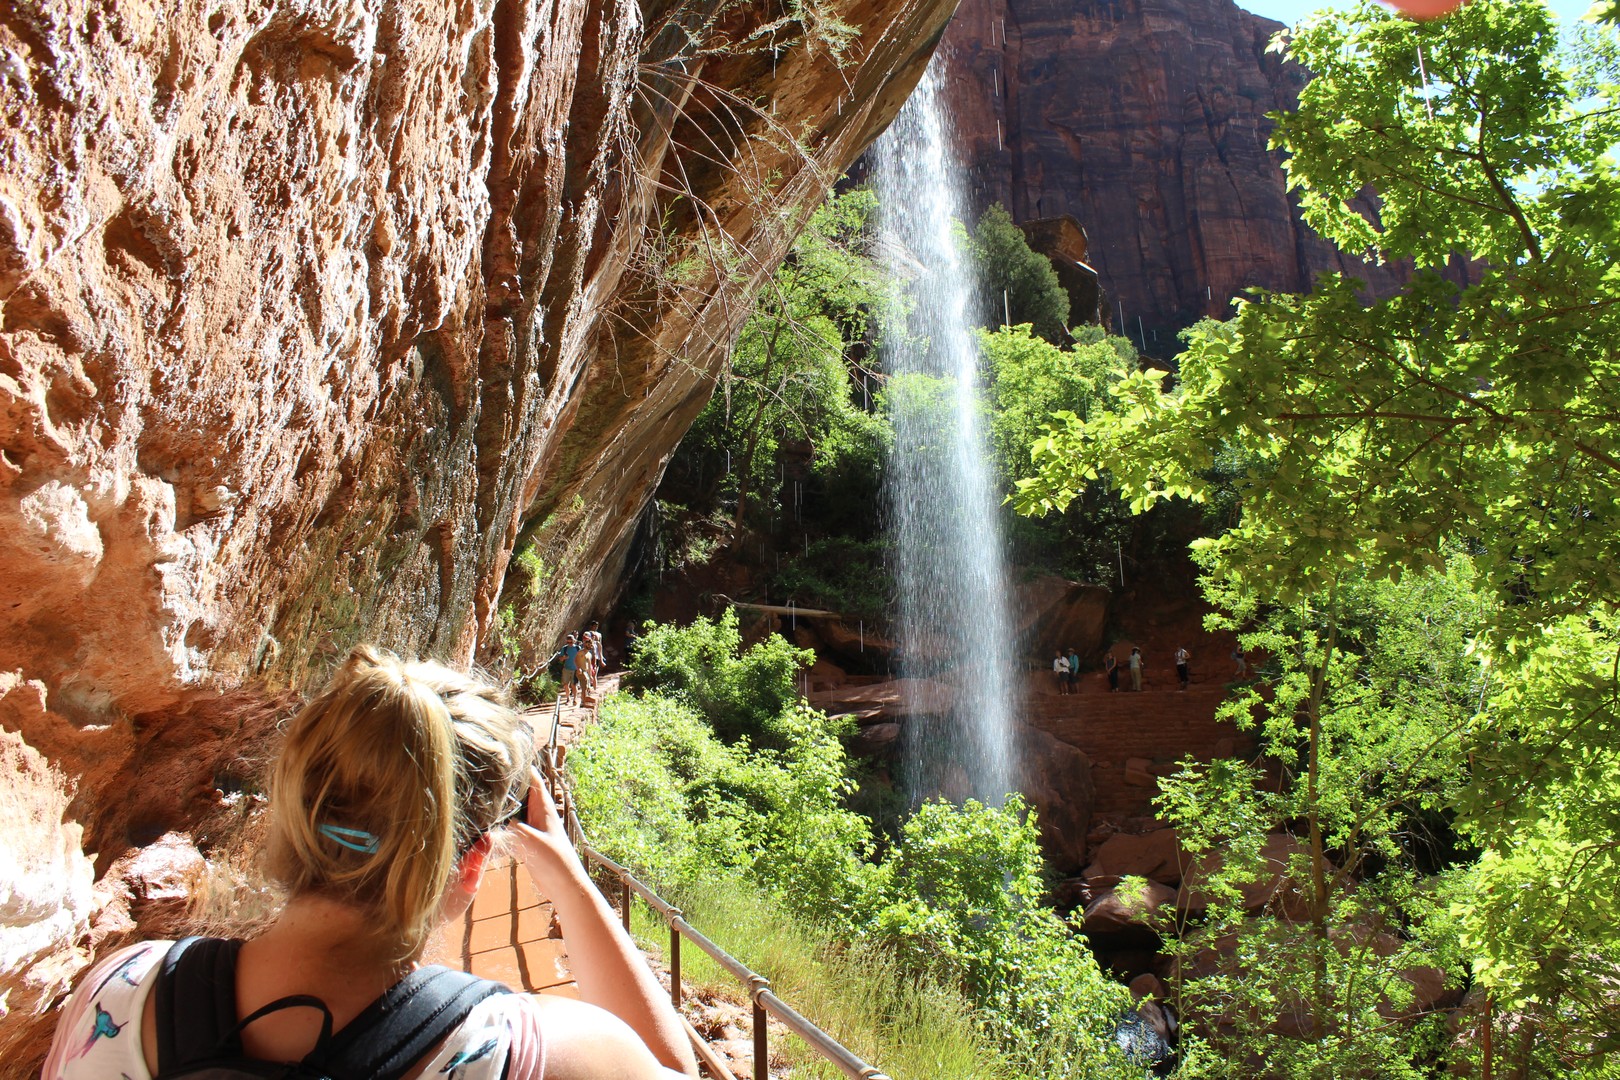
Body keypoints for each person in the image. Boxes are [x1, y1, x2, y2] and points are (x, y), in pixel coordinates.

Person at [43, 646, 697, 1080]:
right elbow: (673, 1065)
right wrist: (569, 877)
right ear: (469, 867)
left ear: (289, 818)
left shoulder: (119, 993)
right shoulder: (532, 1056)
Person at [549, 634, 584, 706]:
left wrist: (580, 668)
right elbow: (560, 659)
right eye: (568, 642)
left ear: (574, 641)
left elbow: (581, 658)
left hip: (575, 669)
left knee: (574, 685)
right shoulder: (564, 649)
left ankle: (574, 699)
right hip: (566, 668)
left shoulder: (578, 648)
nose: (570, 643)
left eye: (571, 642)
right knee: (565, 684)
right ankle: (568, 699)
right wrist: (564, 658)